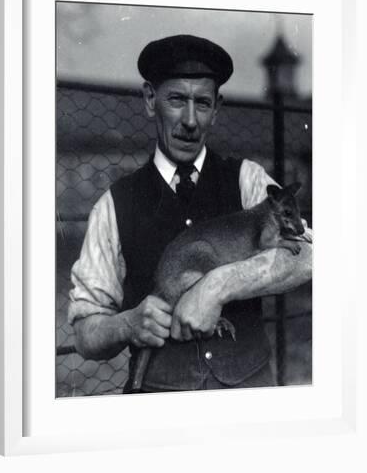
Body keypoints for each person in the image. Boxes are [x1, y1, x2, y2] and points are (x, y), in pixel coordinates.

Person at [68, 34, 312, 393]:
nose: (190, 120)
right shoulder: (113, 205)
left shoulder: (249, 179)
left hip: (248, 396)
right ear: (151, 100)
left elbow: (308, 256)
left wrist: (215, 287)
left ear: (217, 109)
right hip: (159, 402)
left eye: (202, 103)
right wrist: (126, 324)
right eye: (177, 100)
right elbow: (84, 334)